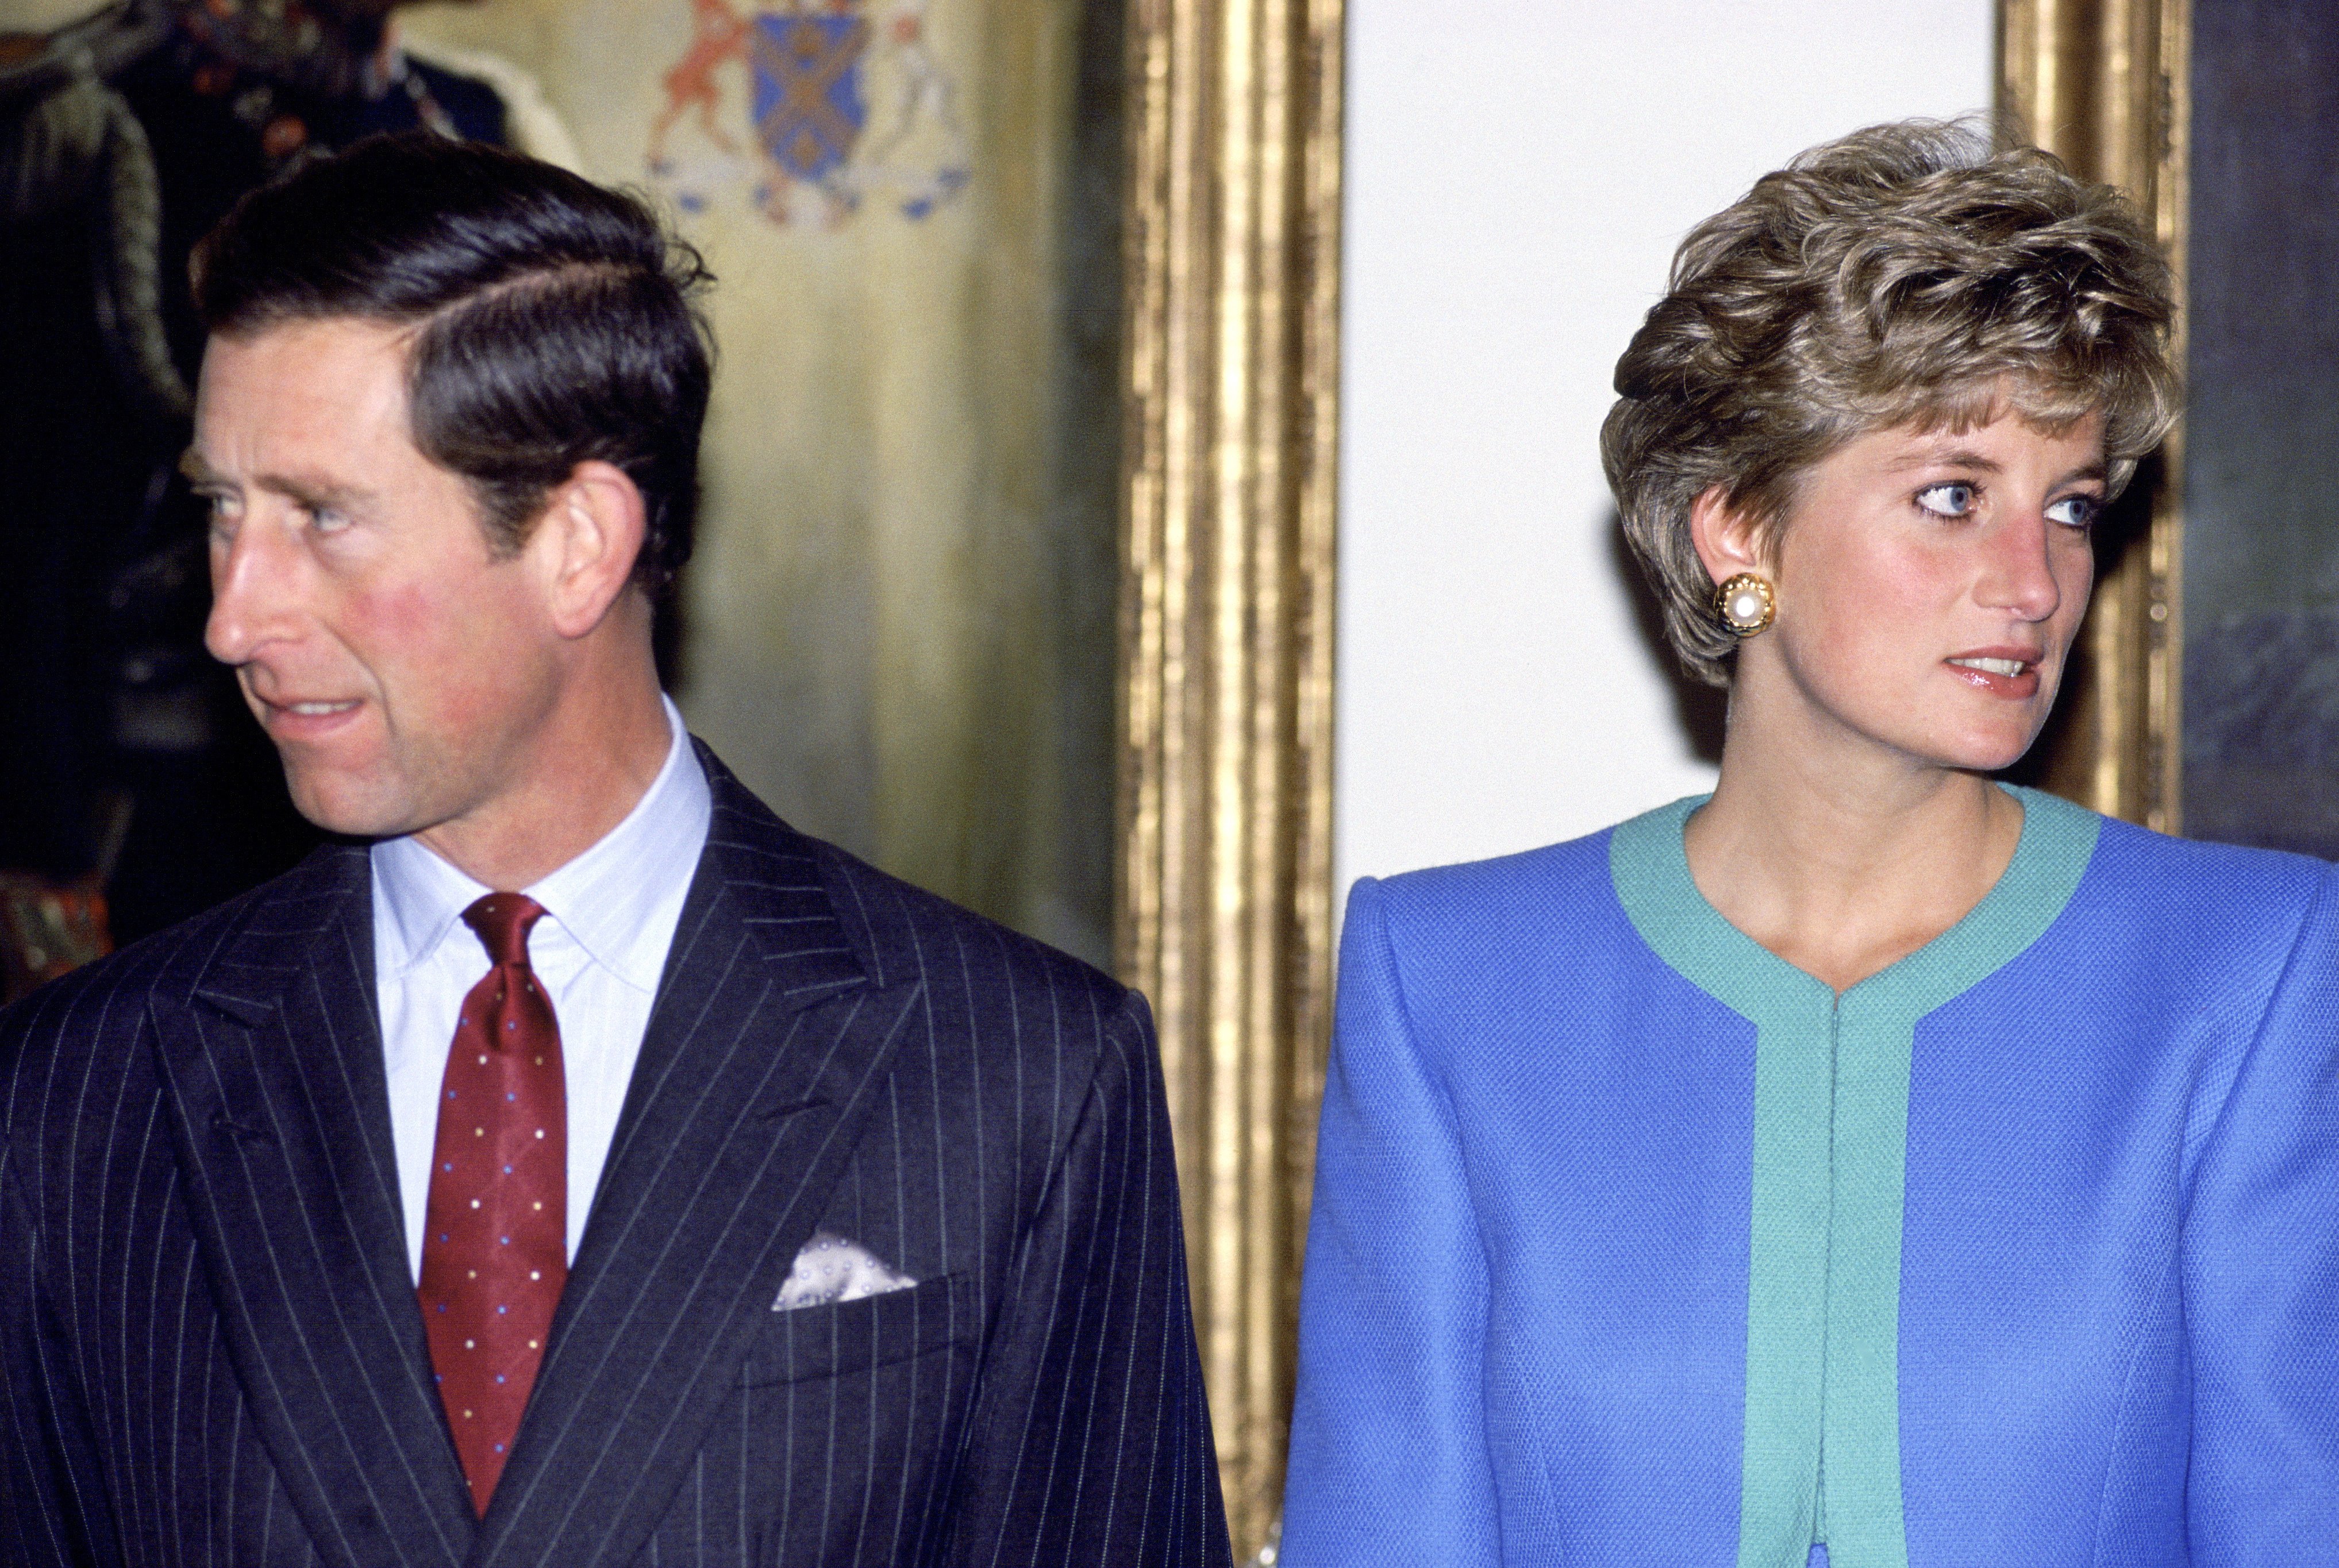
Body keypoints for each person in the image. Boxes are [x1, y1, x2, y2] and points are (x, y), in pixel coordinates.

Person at [0, 134, 1230, 1567]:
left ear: (580, 544)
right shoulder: (75, 1100)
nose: (232, 618)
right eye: (226, 514)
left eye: (322, 518)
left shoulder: (1017, 1079)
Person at [1280, 120, 2339, 1565]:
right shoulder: (1448, 985)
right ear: (1738, 532)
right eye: (1952, 495)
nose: (2034, 581)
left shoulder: (2247, 974)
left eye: (2073, 507)